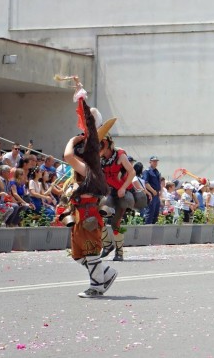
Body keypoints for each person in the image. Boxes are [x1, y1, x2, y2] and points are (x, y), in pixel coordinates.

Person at [61, 74, 117, 298]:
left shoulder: (89, 165)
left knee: (89, 250)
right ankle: (106, 273)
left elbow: (67, 155)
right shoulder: (88, 168)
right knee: (78, 253)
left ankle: (97, 285)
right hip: (80, 209)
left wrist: (73, 142)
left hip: (87, 211)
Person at [99, 133, 137, 261]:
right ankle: (107, 245)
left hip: (124, 192)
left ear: (108, 145)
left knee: (115, 222)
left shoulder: (120, 155)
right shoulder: (101, 159)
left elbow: (132, 172)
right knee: (97, 214)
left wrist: (123, 187)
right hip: (111, 192)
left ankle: (119, 252)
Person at [143, 156, 162, 225]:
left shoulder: (157, 172)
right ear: (150, 162)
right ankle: (147, 229)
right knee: (150, 212)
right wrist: (153, 190)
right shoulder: (147, 171)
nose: (155, 163)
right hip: (150, 193)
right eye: (154, 161)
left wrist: (159, 192)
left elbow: (159, 183)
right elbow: (145, 183)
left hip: (156, 194)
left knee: (156, 213)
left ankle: (153, 230)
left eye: (156, 161)